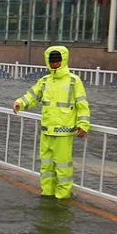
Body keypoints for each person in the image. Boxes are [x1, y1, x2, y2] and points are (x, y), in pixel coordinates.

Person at [12, 46, 91, 200]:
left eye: (57, 60)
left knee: (63, 167)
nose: (55, 63)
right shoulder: (45, 81)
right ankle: (47, 193)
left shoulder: (74, 81)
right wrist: (20, 103)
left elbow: (82, 105)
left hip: (63, 132)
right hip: (46, 131)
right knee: (46, 166)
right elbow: (32, 95)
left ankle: (62, 197)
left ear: (64, 60)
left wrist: (83, 125)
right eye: (52, 60)